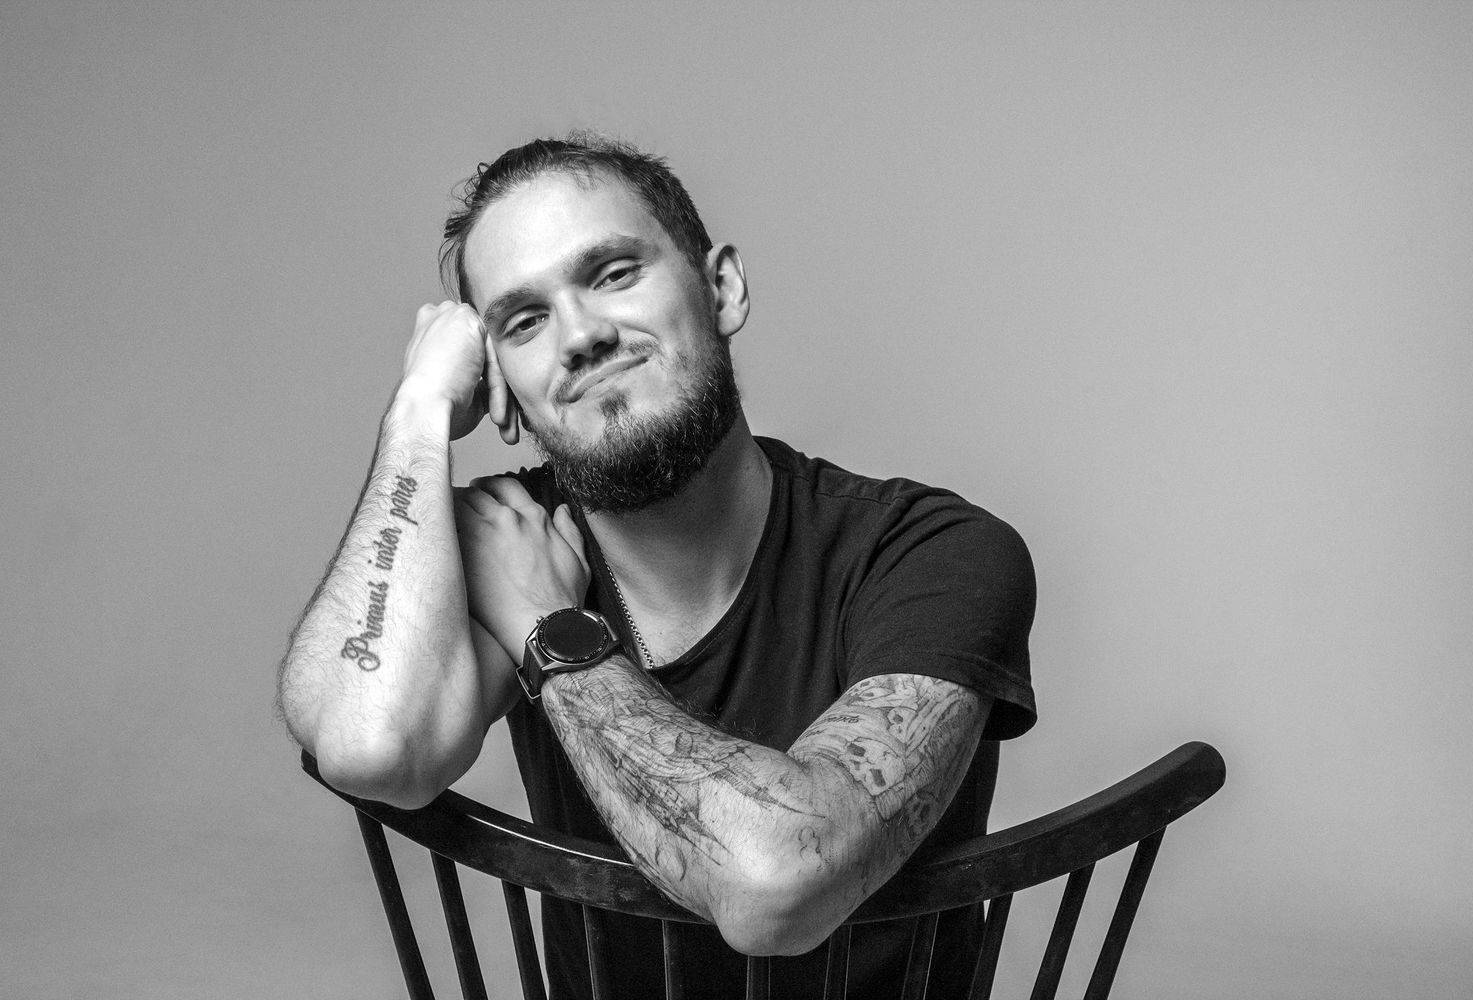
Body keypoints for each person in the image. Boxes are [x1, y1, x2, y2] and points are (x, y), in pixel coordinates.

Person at [277, 133, 1037, 999]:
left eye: (613, 274)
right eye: (524, 322)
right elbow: (370, 748)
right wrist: (417, 411)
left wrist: (552, 636)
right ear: (502, 389)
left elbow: (775, 887)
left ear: (723, 289)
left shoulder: (934, 553)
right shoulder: (511, 540)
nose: (581, 336)